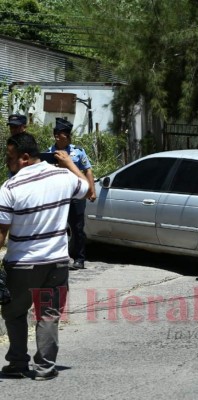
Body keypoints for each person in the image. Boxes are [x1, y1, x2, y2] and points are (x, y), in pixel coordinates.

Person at [0, 132, 89, 380]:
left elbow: (1, 232)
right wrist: (70, 164)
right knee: (48, 315)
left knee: (15, 313)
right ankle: (45, 368)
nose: (7, 162)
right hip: (57, 264)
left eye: (10, 157)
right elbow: (86, 188)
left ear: (25, 158)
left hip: (22, 266)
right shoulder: (64, 177)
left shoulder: (10, 187)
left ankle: (18, 363)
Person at [48, 118, 96, 270]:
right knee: (58, 227)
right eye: (61, 134)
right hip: (58, 195)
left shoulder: (78, 151)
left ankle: (79, 258)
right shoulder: (49, 153)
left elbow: (88, 170)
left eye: (66, 134)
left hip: (77, 195)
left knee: (77, 227)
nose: (58, 137)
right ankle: (58, 257)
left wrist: (92, 191)